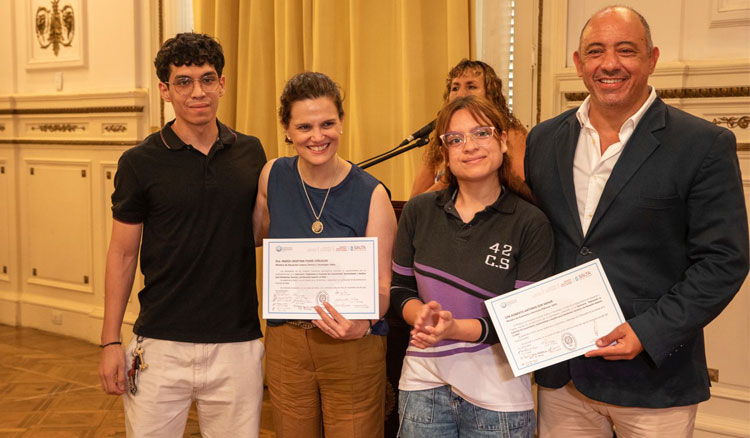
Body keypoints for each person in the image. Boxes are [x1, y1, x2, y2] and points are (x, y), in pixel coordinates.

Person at [524, 6, 749, 437]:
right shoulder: (544, 139)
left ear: (652, 58)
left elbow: (724, 261)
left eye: (626, 50)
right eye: (595, 51)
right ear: (577, 63)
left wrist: (649, 332)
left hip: (654, 378)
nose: (609, 63)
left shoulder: (703, 145)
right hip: (562, 378)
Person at [98, 33, 267, 437]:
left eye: (208, 79)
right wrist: (109, 343)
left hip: (237, 344)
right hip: (160, 343)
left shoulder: (252, 153)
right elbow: (122, 255)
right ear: (165, 90)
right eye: (184, 82)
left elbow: (259, 234)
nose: (198, 92)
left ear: (222, 84)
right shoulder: (139, 162)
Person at [391, 95, 555, 437]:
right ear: (444, 153)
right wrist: (420, 315)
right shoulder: (418, 212)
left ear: (503, 141)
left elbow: (523, 322)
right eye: (456, 139)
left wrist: (453, 329)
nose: (470, 146)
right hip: (422, 385)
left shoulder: (531, 222)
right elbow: (400, 289)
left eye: (482, 133)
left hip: (499, 396)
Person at [253, 71, 397, 438]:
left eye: (327, 124)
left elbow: (384, 285)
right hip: (287, 343)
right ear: (286, 129)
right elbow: (257, 235)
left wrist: (362, 323)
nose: (318, 137)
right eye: (304, 127)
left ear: (342, 123)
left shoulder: (372, 193)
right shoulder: (272, 176)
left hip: (353, 343)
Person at [410, 59, 527, 198]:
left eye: (471, 86)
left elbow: (523, 192)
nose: (461, 94)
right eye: (455, 88)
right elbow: (415, 201)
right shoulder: (439, 142)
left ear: (490, 94)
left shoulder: (513, 136)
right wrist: (446, 180)